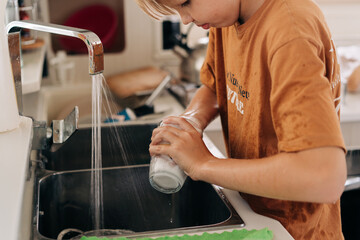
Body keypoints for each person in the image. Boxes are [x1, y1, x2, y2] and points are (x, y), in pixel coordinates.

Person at [135, 0, 347, 239]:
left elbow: (324, 177)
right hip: (255, 216)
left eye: (185, 2)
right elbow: (217, 85)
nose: (184, 19)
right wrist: (190, 122)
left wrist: (203, 164)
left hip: (296, 232)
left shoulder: (290, 30)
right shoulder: (226, 15)